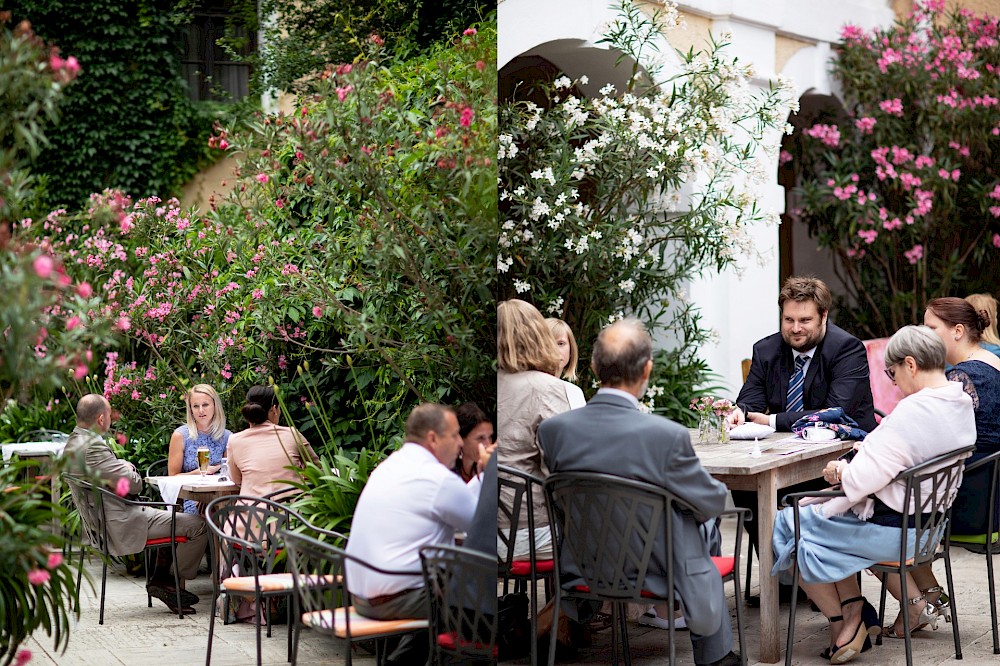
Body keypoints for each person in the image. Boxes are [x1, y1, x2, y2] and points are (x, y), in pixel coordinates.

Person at [537, 318, 740, 666]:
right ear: (646, 370)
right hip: (657, 571)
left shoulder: (554, 431)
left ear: (593, 366)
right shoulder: (665, 435)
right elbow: (711, 501)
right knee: (699, 520)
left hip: (584, 565)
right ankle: (714, 655)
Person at [771, 325, 975, 661]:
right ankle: (853, 612)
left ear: (910, 364)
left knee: (787, 524)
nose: (893, 382)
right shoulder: (959, 400)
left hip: (895, 532)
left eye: (892, 373)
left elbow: (863, 480)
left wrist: (840, 470)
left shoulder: (914, 411)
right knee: (816, 527)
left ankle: (845, 621)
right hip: (928, 527)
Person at [883, 297, 1000, 637]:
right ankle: (930, 597)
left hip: (965, 502)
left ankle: (916, 605)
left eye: (932, 328)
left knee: (876, 519)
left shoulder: (961, 377)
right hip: (987, 494)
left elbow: (931, 441)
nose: (927, 335)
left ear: (958, 331)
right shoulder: (992, 361)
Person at [345, 403, 492, 665]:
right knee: (475, 601)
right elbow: (480, 525)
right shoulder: (437, 478)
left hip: (361, 596)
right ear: (433, 438)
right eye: (455, 434)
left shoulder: (389, 466)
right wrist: (486, 475)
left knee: (452, 590)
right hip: (397, 600)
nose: (460, 442)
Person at [64, 394, 210, 615]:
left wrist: (119, 464)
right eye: (109, 413)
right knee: (198, 525)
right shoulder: (92, 448)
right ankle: (167, 580)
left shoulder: (74, 442)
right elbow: (134, 485)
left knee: (171, 515)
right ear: (101, 419)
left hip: (107, 517)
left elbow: (109, 473)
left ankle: (161, 579)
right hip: (121, 522)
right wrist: (129, 468)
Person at [728, 275, 877, 432]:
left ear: (824, 316)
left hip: (848, 447)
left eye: (805, 320)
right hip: (783, 447)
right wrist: (740, 412)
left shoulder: (847, 349)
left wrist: (771, 421)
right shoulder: (766, 351)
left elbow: (834, 412)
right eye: (789, 320)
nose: (796, 329)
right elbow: (751, 401)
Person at [498, 299, 571, 560]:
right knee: (617, 534)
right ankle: (565, 602)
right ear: (537, 334)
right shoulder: (549, 389)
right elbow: (566, 470)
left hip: (482, 535)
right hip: (530, 534)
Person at [226, 385, 320, 499]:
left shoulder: (235, 441)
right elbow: (317, 470)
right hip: (291, 513)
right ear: (275, 409)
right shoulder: (292, 434)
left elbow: (236, 479)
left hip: (252, 514)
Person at [167, 383, 231, 514]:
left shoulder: (227, 437)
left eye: (205, 405)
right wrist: (198, 473)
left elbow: (229, 475)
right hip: (193, 499)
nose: (201, 410)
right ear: (190, 409)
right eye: (196, 406)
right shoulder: (180, 435)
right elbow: (172, 477)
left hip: (221, 499)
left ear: (215, 406)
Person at [546, 317, 587, 408]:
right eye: (548, 343)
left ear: (571, 350)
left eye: (560, 343)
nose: (555, 350)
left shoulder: (575, 393)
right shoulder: (526, 387)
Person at [454, 402, 494, 483]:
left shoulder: (488, 468)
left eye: (489, 437)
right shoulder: (448, 474)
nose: (488, 444)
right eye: (480, 438)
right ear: (461, 438)